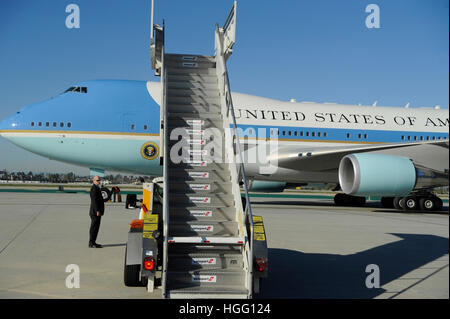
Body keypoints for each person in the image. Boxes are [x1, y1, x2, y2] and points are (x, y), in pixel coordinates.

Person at [89, 175, 104, 248]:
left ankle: (93, 242)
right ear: (94, 181)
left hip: (98, 212)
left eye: (99, 180)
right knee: (94, 228)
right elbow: (94, 201)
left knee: (96, 228)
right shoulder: (94, 188)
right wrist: (97, 210)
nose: (99, 181)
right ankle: (91, 243)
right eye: (97, 180)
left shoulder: (97, 188)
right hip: (95, 212)